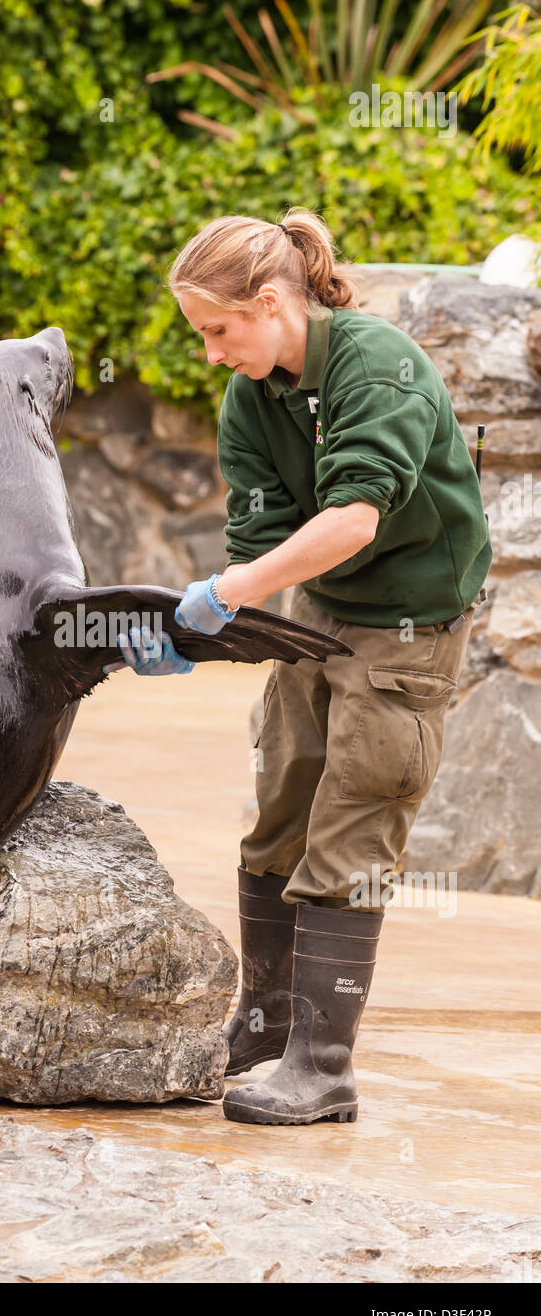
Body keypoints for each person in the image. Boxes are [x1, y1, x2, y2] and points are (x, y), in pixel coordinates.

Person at [108, 207, 490, 1127]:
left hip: (407, 619)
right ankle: (263, 1021)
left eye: (216, 330)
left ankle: (321, 1068)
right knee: (279, 805)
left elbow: (356, 517)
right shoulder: (253, 395)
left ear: (271, 301)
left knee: (352, 824)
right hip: (323, 608)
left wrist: (228, 591)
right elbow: (260, 533)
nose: (207, 353)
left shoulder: (375, 364)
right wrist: (193, 632)